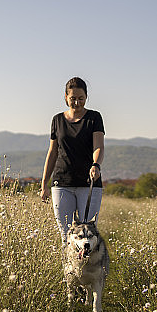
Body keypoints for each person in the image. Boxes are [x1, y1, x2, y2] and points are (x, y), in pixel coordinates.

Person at [40, 77, 105, 244]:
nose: (77, 102)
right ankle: (69, 270)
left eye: (81, 98)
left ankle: (87, 269)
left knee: (87, 234)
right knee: (66, 234)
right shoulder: (57, 120)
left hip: (89, 183)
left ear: (86, 97)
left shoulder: (94, 118)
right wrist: (44, 185)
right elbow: (52, 153)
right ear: (65, 97)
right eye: (73, 98)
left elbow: (98, 146)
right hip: (61, 183)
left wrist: (96, 165)